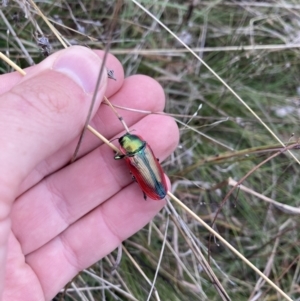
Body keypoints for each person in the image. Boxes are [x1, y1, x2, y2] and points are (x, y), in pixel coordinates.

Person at [0, 46, 179, 300]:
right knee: (142, 171)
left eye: (122, 148)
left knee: (140, 172)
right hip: (149, 175)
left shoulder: (128, 155)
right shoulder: (141, 150)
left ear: (127, 150)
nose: (119, 147)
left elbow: (124, 158)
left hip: (147, 178)